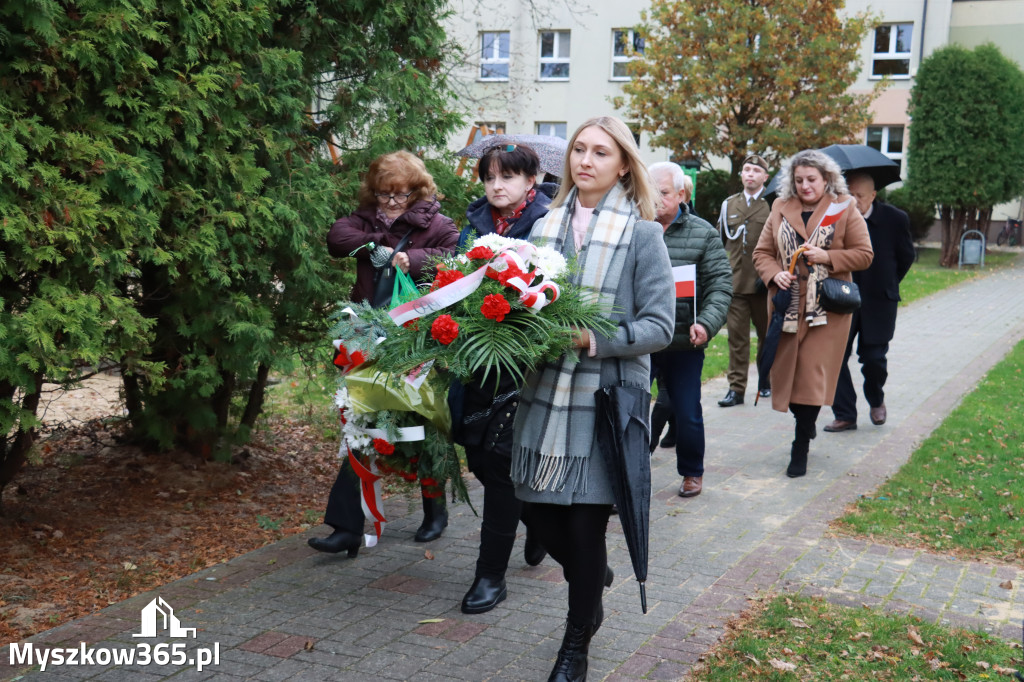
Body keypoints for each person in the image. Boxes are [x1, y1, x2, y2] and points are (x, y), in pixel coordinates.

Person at [511, 116, 674, 682]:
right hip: (543, 397)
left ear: (624, 165)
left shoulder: (642, 235)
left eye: (600, 152)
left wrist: (593, 338)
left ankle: (575, 642)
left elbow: (660, 326)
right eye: (579, 149)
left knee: (584, 530)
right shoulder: (541, 229)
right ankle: (591, 578)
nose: (585, 160)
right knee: (533, 512)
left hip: (604, 404)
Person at [311, 151, 459, 556]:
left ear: (418, 191)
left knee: (422, 419)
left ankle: (435, 511)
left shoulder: (437, 223)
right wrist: (377, 244)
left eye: (401, 195)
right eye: (383, 195)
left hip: (416, 336)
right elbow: (337, 238)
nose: (392, 204)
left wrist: (413, 259)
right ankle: (346, 526)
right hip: (367, 332)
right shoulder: (367, 219)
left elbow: (454, 258)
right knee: (358, 417)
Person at [449, 144, 557, 614]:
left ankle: (489, 576)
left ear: (531, 181)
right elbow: (451, 283)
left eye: (508, 177)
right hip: (476, 361)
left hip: (524, 363)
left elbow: (558, 284)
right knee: (478, 455)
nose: (497, 186)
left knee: (500, 466)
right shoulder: (473, 224)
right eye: (490, 176)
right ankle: (538, 523)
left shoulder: (548, 222)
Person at [752, 150, 873, 479]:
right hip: (786, 306)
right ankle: (803, 424)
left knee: (809, 378)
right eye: (799, 179)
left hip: (826, 313)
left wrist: (828, 256)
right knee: (785, 378)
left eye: (811, 179)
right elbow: (762, 253)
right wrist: (773, 274)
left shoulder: (843, 207)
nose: (805, 185)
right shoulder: (779, 207)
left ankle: (800, 445)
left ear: (826, 179)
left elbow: (864, 254)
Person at [647, 161, 732, 498]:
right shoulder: (635, 228)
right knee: (631, 411)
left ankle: (692, 472)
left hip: (685, 340)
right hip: (640, 341)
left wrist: (707, 324)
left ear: (681, 194)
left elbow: (721, 286)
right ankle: (628, 475)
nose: (655, 200)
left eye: (663, 193)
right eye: (650, 192)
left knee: (687, 410)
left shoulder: (704, 233)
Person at [823, 172, 915, 432]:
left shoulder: (895, 219)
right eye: (849, 194)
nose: (854, 200)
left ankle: (876, 400)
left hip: (879, 301)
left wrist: (889, 282)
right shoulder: (834, 217)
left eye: (860, 196)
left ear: (873, 196)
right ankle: (845, 414)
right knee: (835, 357)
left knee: (874, 359)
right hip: (841, 298)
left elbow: (906, 257)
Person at [716, 154, 773, 407]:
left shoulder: (772, 204)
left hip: (763, 283)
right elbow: (720, 243)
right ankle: (736, 389)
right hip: (736, 283)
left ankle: (766, 380)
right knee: (737, 339)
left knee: (767, 336)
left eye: (755, 170)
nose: (750, 174)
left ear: (765, 177)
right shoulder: (729, 204)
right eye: (746, 169)